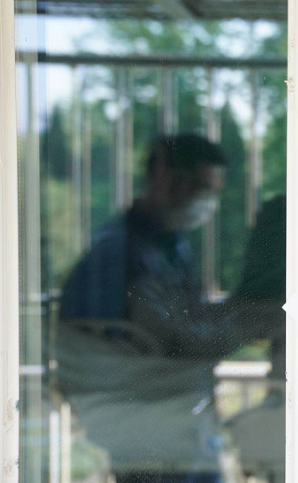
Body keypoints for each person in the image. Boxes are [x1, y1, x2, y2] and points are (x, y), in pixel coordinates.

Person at [57, 135, 279, 483]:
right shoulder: (118, 257)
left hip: (177, 420)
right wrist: (258, 319)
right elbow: (174, 343)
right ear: (161, 174)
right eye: (195, 187)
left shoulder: (171, 248)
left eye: (210, 192)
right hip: (143, 423)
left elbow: (188, 319)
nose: (202, 201)